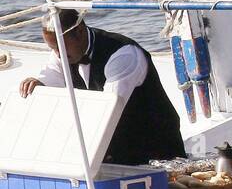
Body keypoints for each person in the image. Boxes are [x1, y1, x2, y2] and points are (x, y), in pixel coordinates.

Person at [20, 9, 185, 165]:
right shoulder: (62, 53)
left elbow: (108, 111)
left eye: (60, 48)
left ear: (79, 32)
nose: (57, 54)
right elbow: (50, 82)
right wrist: (38, 86)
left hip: (156, 148)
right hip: (117, 151)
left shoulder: (123, 54)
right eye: (53, 49)